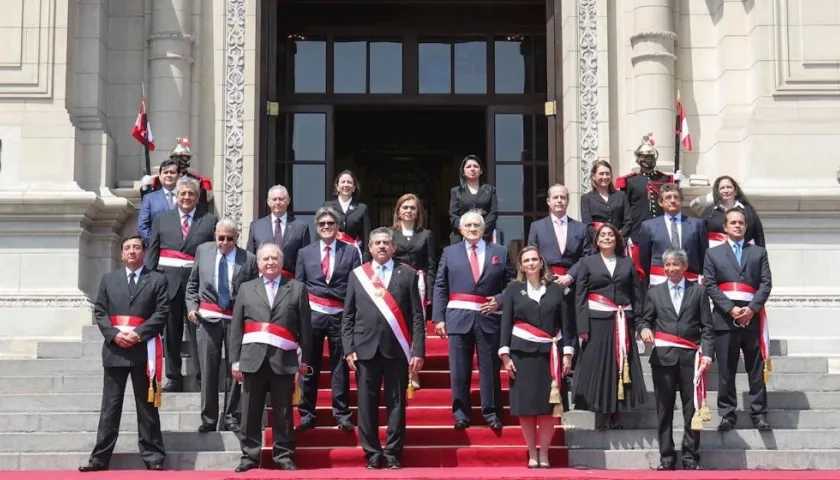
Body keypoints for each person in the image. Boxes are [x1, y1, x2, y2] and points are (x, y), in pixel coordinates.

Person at [79, 235, 168, 472]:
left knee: (147, 407)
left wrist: (138, 334)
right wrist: (113, 334)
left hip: (143, 350)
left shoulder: (157, 280)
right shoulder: (109, 279)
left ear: (144, 252)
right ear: (121, 253)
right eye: (127, 248)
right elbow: (100, 311)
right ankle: (99, 458)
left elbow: (162, 313)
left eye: (136, 248)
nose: (132, 252)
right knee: (110, 407)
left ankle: (154, 457)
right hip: (114, 350)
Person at [342, 227, 426, 470]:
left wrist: (418, 350)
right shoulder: (358, 275)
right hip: (365, 350)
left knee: (396, 404)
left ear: (393, 247)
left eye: (386, 243)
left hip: (396, 349)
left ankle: (392, 452)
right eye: (377, 243)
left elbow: (417, 317)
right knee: (366, 406)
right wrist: (348, 348)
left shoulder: (408, 275)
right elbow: (348, 315)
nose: (381, 246)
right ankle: (371, 453)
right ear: (369, 248)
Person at [229, 243, 312, 472]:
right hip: (252, 359)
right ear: (258, 264)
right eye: (265, 259)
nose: (270, 262)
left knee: (284, 411)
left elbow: (305, 328)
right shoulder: (246, 288)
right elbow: (236, 328)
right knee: (250, 411)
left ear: (281, 262)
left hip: (283, 359)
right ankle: (250, 456)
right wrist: (235, 360)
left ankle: (283, 454)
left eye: (274, 258)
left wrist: (304, 359)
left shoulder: (297, 288)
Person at [433, 210, 511, 430]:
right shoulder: (449, 252)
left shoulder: (501, 252)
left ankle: (492, 414)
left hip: (489, 317)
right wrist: (438, 318)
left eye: (477, 225)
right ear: (460, 230)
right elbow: (440, 286)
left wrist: (499, 300)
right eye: (468, 226)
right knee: (459, 371)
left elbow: (512, 284)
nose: (473, 229)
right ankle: (461, 414)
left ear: (484, 228)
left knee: (490, 369)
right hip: (458, 317)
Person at [637, 248, 714, 471]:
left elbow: (707, 328)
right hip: (663, 358)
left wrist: (707, 354)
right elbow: (644, 320)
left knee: (692, 410)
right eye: (668, 265)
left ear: (684, 267)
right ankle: (667, 457)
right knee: (664, 410)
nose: (671, 269)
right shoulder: (655, 292)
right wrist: (644, 330)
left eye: (675, 265)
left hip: (691, 359)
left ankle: (690, 457)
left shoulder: (698, 291)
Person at [499, 246, 574, 469]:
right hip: (522, 356)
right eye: (526, 260)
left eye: (534, 259)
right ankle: (532, 452)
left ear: (541, 263)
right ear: (520, 266)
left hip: (549, 356)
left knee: (548, 408)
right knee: (527, 408)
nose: (531, 263)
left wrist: (568, 353)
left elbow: (566, 323)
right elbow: (505, 323)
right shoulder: (513, 289)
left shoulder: (556, 290)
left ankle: (544, 453)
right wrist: (505, 355)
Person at [185, 219, 258, 433]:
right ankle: (208, 418)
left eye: (230, 238)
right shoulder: (203, 251)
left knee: (235, 369)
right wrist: (191, 306)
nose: (225, 243)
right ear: (215, 236)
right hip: (207, 318)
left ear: (237, 238)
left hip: (235, 320)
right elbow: (192, 284)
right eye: (221, 238)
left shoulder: (249, 259)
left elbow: (254, 291)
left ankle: (230, 416)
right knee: (208, 370)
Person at [145, 177, 218, 392]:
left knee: (198, 334)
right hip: (168, 283)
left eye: (191, 194)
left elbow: (214, 254)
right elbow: (153, 253)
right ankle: (174, 378)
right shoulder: (161, 219)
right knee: (171, 333)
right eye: (183, 194)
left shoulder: (209, 220)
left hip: (197, 284)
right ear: (176, 197)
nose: (186, 197)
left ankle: (201, 377)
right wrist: (149, 282)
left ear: (197, 197)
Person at [703, 208, 773, 432]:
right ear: (725, 227)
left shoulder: (758, 252)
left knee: (755, 369)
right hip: (725, 320)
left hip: (752, 319)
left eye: (741, 223)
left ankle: (759, 413)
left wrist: (752, 309)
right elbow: (710, 285)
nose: (737, 226)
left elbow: (765, 284)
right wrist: (730, 309)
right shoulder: (713, 254)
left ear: (745, 226)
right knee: (726, 370)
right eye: (733, 222)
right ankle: (727, 414)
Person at [295, 206, 362, 432]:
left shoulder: (351, 252)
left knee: (339, 368)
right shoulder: (305, 253)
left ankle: (341, 414)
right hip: (313, 315)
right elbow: (299, 286)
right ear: (317, 227)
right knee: (309, 366)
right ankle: (306, 414)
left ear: (337, 227)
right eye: (322, 224)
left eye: (330, 224)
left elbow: (356, 287)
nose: (326, 227)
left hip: (340, 316)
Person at [573, 223, 645, 429]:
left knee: (619, 366)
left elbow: (636, 295)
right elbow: (580, 297)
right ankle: (601, 413)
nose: (606, 238)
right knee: (600, 368)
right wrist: (582, 327)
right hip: (596, 322)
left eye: (610, 235)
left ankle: (616, 413)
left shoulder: (628, 263)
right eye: (602, 235)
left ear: (617, 240)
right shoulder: (587, 262)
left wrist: (639, 323)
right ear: (596, 240)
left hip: (622, 322)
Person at [527, 183, 591, 409]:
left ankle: (571, 368)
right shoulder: (537, 226)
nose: (559, 201)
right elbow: (533, 254)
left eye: (563, 197)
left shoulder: (581, 228)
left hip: (573, 284)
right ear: (548, 202)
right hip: (547, 283)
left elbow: (586, 256)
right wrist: (550, 277)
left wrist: (570, 277)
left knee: (571, 325)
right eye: (555, 197)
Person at [390, 193, 436, 389]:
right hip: (396, 283)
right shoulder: (389, 234)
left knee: (416, 328)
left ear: (418, 212)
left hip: (418, 284)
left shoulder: (426, 235)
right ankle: (396, 369)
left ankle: (414, 373)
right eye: (405, 207)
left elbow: (432, 264)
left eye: (412, 208)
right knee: (397, 326)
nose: (408, 211)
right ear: (398, 212)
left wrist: (431, 292)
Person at [615, 134, 675, 278]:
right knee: (640, 273)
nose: (648, 160)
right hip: (638, 232)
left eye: (650, 156)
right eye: (644, 157)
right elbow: (625, 209)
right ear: (638, 159)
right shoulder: (630, 181)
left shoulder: (665, 179)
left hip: (662, 231)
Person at [638, 183, 707, 286]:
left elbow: (703, 255)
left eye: (676, 197)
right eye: (668, 197)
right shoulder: (648, 226)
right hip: (660, 282)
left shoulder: (697, 224)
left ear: (682, 201)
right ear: (660, 202)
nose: (673, 200)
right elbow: (644, 258)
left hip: (690, 282)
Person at [246, 184, 311, 279]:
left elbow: (306, 259)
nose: (277, 202)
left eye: (281, 199)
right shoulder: (256, 226)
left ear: (288, 201)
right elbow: (250, 257)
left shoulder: (301, 227)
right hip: (262, 282)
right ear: (268, 202)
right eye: (274, 199)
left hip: (291, 282)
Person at [140, 137, 213, 210]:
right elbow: (150, 203)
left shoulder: (196, 181)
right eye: (175, 158)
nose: (179, 161)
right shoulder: (161, 181)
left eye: (183, 158)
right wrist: (146, 188)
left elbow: (202, 207)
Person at [701, 175, 766, 248]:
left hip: (746, 253)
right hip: (718, 256)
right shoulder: (709, 212)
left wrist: (762, 256)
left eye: (729, 187)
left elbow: (759, 235)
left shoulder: (748, 210)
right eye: (722, 188)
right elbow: (701, 237)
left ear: (735, 191)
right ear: (718, 192)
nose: (726, 190)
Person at [448, 155, 498, 244]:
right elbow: (453, 215)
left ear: (481, 170)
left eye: (475, 166)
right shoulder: (456, 191)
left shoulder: (490, 190)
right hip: (461, 236)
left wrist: (481, 230)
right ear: (463, 172)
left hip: (485, 235)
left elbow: (493, 213)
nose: (472, 169)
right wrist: (466, 230)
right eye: (468, 166)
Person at [322, 170, 371, 258]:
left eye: (349, 182)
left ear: (354, 188)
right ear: (337, 187)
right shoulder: (327, 206)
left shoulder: (362, 208)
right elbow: (320, 232)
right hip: (332, 254)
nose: (346, 185)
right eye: (343, 182)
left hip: (354, 255)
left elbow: (366, 237)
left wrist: (365, 259)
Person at [580, 160, 632, 241]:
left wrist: (618, 237)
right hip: (597, 244)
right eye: (601, 174)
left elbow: (628, 221)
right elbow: (587, 225)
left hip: (619, 243)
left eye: (607, 174)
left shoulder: (621, 195)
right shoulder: (586, 198)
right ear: (594, 176)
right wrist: (600, 239)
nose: (605, 177)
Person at [137, 159, 179, 245]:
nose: (169, 175)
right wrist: (156, 244)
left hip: (181, 250)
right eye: (165, 172)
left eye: (172, 172)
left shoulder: (186, 197)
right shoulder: (149, 198)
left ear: (178, 176)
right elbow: (142, 227)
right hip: (157, 249)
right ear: (159, 176)